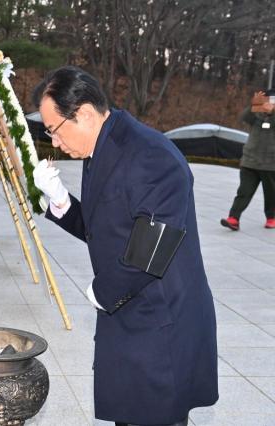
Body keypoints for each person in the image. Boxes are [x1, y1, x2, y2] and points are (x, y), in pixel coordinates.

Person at [32, 66, 218, 426]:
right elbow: (106, 227)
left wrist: (101, 291)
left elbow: (150, 249)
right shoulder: (102, 146)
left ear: (84, 113)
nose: (54, 142)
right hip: (131, 312)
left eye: (54, 130)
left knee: (155, 418)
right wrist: (60, 202)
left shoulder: (152, 156)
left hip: (160, 321)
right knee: (129, 415)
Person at [220, 90, 275, 230]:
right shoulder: (257, 115)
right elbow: (244, 117)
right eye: (268, 99)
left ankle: (271, 217)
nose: (270, 103)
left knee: (271, 194)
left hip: (271, 164)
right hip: (250, 161)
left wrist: (271, 114)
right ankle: (233, 218)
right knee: (243, 191)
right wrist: (254, 105)